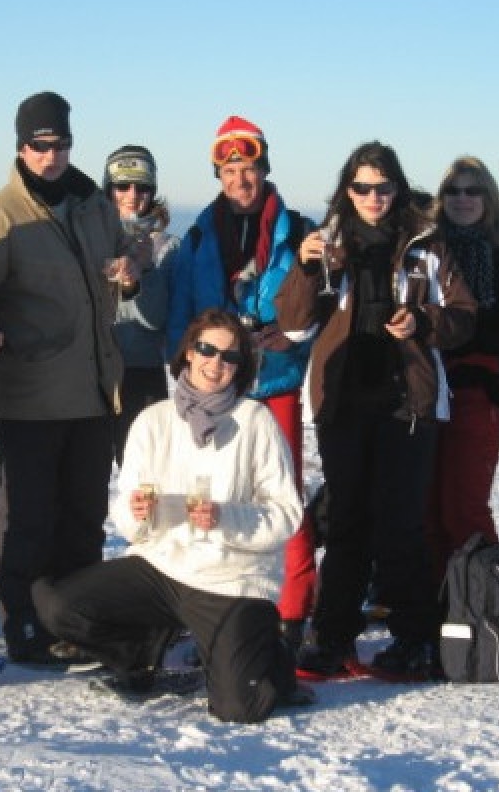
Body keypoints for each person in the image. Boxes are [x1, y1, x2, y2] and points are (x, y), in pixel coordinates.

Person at [33, 309, 311, 722]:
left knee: (240, 708)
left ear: (241, 367)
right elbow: (126, 509)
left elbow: (286, 513)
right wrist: (137, 513)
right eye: (207, 350)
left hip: (231, 579)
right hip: (161, 566)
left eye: (229, 357)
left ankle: (266, 651)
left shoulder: (256, 421)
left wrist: (224, 519)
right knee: (57, 603)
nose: (216, 364)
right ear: (188, 353)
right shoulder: (153, 419)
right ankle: (149, 654)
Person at [276, 141, 476, 678]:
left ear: (397, 189)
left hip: (407, 402)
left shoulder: (426, 246)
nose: (372, 197)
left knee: (400, 524)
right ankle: (334, 637)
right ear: (347, 190)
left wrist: (422, 323)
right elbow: (294, 324)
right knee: (344, 523)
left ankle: (414, 639)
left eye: (382, 187)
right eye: (361, 187)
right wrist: (301, 266)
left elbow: (463, 316)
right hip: (342, 403)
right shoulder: (327, 245)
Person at [0, 91, 130, 664]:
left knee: (84, 519)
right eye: (40, 146)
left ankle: (80, 622)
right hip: (28, 395)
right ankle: (26, 626)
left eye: (60, 144)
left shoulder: (94, 206)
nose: (51, 156)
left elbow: (117, 273)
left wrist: (128, 275)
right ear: (21, 147)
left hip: (92, 392)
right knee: (29, 520)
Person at [166, 115, 316, 651]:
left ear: (264, 169)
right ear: (219, 174)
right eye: (230, 169)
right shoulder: (202, 233)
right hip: (214, 386)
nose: (240, 180)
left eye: (248, 168)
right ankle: (211, 605)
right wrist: (181, 363)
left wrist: (295, 334)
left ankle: (293, 613)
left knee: (282, 495)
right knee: (210, 497)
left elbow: (318, 302)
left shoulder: (297, 231)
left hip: (274, 382)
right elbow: (183, 304)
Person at [423, 157, 499, 579]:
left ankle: (488, 600)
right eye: (453, 191)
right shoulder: (424, 255)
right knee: (426, 504)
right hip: (428, 387)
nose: (463, 199)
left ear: (490, 201)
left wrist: (466, 354)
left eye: (473, 191)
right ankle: (437, 603)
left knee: (463, 505)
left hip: (478, 392)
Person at [101, 145, 177, 463]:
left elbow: (156, 319)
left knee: (146, 480)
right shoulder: (90, 239)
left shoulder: (168, 248)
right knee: (86, 483)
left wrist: (144, 272)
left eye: (143, 187)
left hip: (142, 373)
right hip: (95, 373)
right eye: (122, 186)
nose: (133, 195)